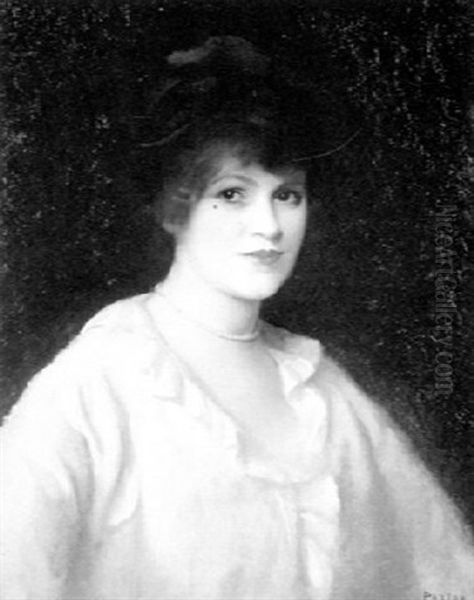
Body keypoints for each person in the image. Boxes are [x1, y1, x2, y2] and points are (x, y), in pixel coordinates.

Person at [1, 37, 473, 600]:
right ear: (175, 206)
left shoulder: (323, 388)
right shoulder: (95, 385)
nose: (268, 227)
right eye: (232, 194)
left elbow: (448, 571)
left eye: (288, 195)